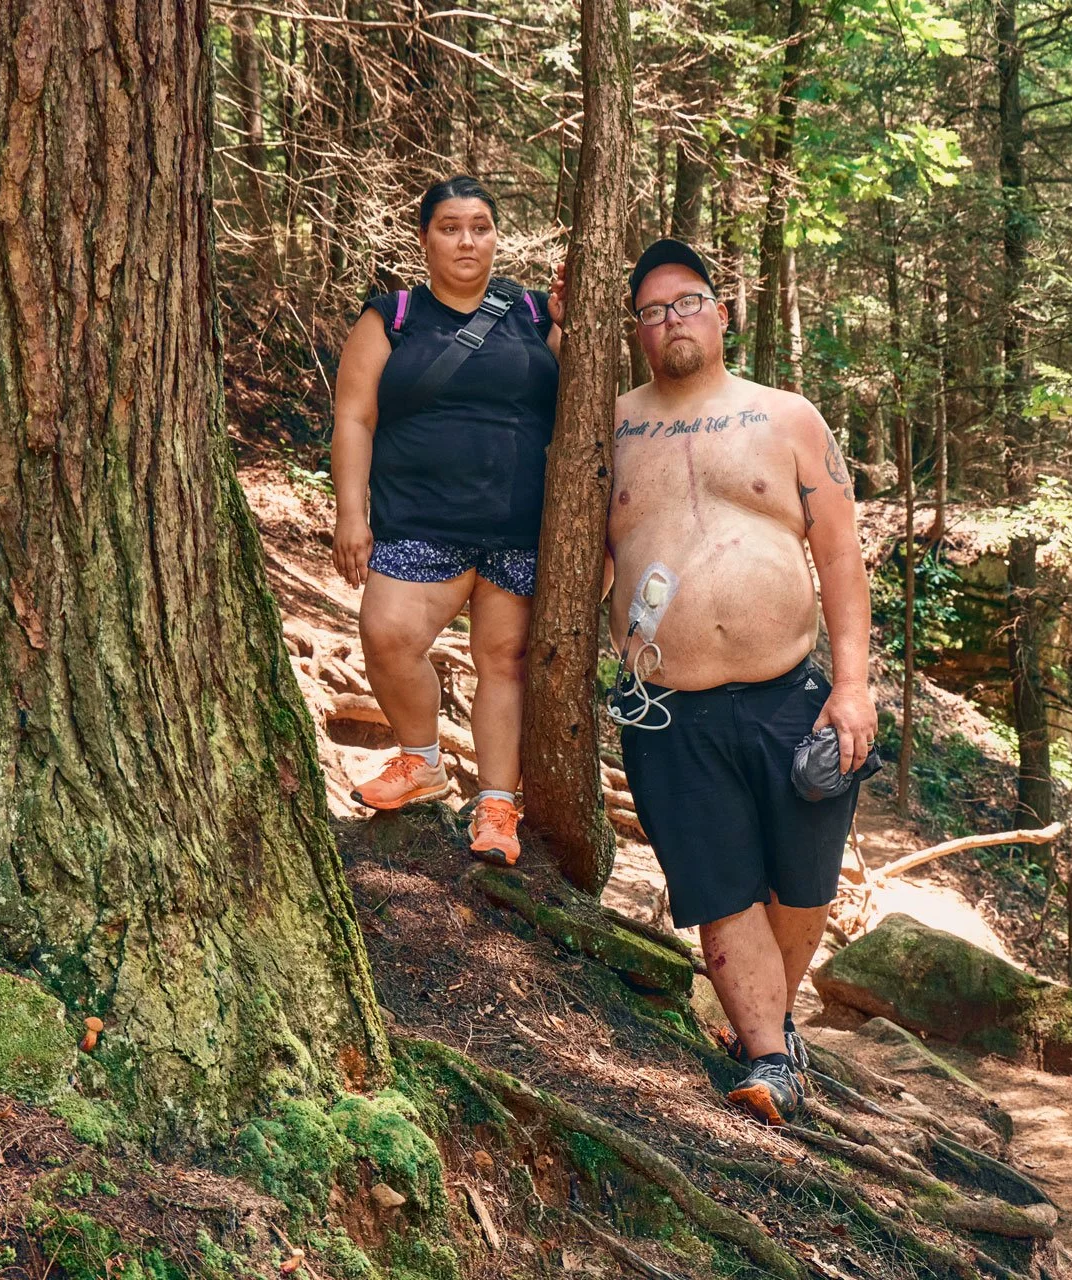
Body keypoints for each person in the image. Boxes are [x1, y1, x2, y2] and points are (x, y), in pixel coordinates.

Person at [599, 238, 875, 1124]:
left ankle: (772, 1028)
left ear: (723, 313)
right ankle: (766, 1058)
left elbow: (839, 553)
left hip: (789, 692)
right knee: (722, 888)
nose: (670, 319)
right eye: (652, 310)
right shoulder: (607, 427)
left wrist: (854, 684)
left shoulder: (787, 416)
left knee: (802, 885)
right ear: (637, 329)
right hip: (665, 705)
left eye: (686, 303)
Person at [329, 176, 562, 865]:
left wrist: (572, 318)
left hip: (519, 525)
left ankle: (496, 807)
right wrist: (351, 513)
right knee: (387, 632)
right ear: (425, 238)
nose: (468, 240)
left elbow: (587, 401)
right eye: (451, 227)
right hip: (419, 521)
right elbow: (354, 417)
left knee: (505, 663)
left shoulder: (533, 312)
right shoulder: (391, 318)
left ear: (497, 237)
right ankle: (422, 761)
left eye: (481, 226)